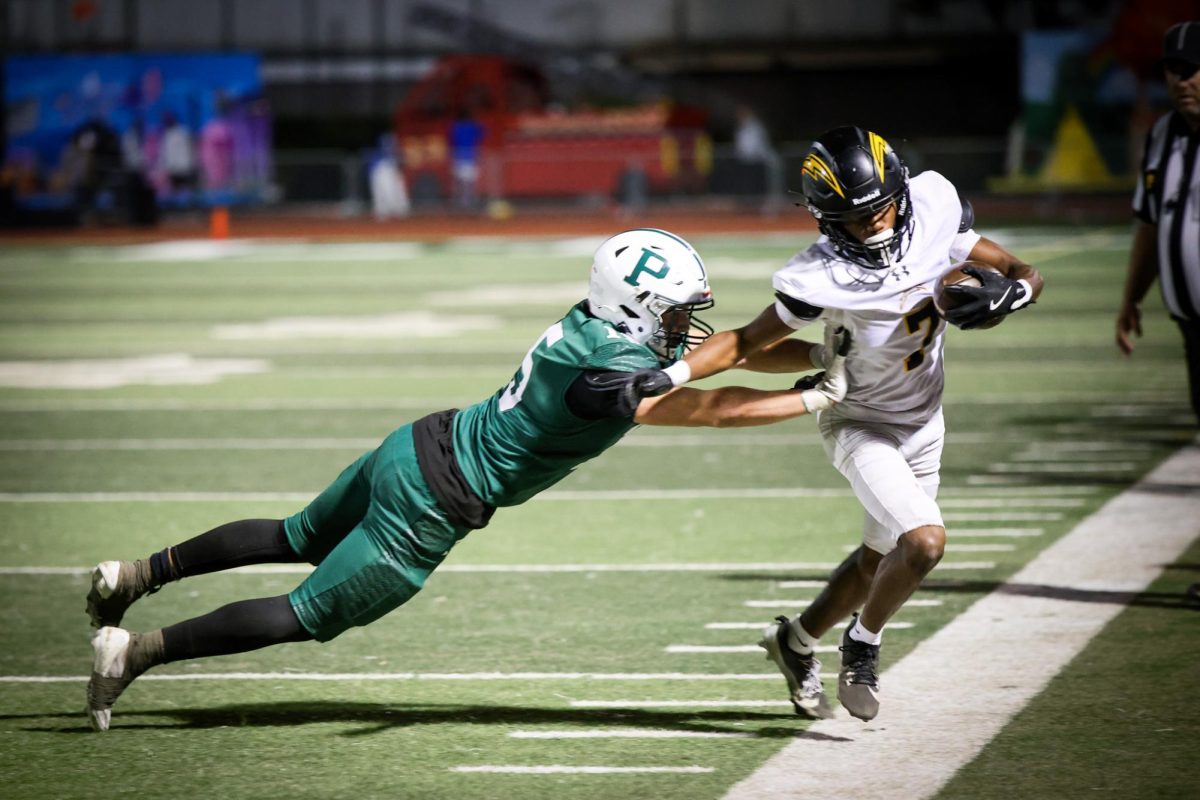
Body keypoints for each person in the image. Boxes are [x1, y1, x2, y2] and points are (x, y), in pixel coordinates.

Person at [85, 228, 852, 732]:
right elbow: (713, 406)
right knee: (302, 613)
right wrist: (812, 398)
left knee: (294, 535)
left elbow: (734, 347)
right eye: (678, 309)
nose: (687, 321)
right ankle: (135, 651)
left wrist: (817, 359)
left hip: (418, 444)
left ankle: (136, 573)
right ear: (642, 306)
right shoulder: (610, 373)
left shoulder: (595, 319)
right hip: (431, 506)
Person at [628, 126, 1045, 721]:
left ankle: (795, 642)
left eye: (881, 208)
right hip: (860, 420)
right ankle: (862, 644)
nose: (874, 224)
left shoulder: (931, 205)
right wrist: (672, 376)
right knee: (923, 543)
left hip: (926, 421)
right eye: (855, 218)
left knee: (878, 563)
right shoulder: (819, 275)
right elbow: (745, 342)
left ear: (900, 192)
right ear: (827, 222)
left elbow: (1020, 268)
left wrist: (1015, 294)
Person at [1116, 20, 1200, 427]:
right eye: (1173, 70)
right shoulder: (1162, 134)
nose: (1181, 81)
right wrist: (1132, 297)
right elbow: (1151, 223)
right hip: (1189, 321)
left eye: (1192, 70)